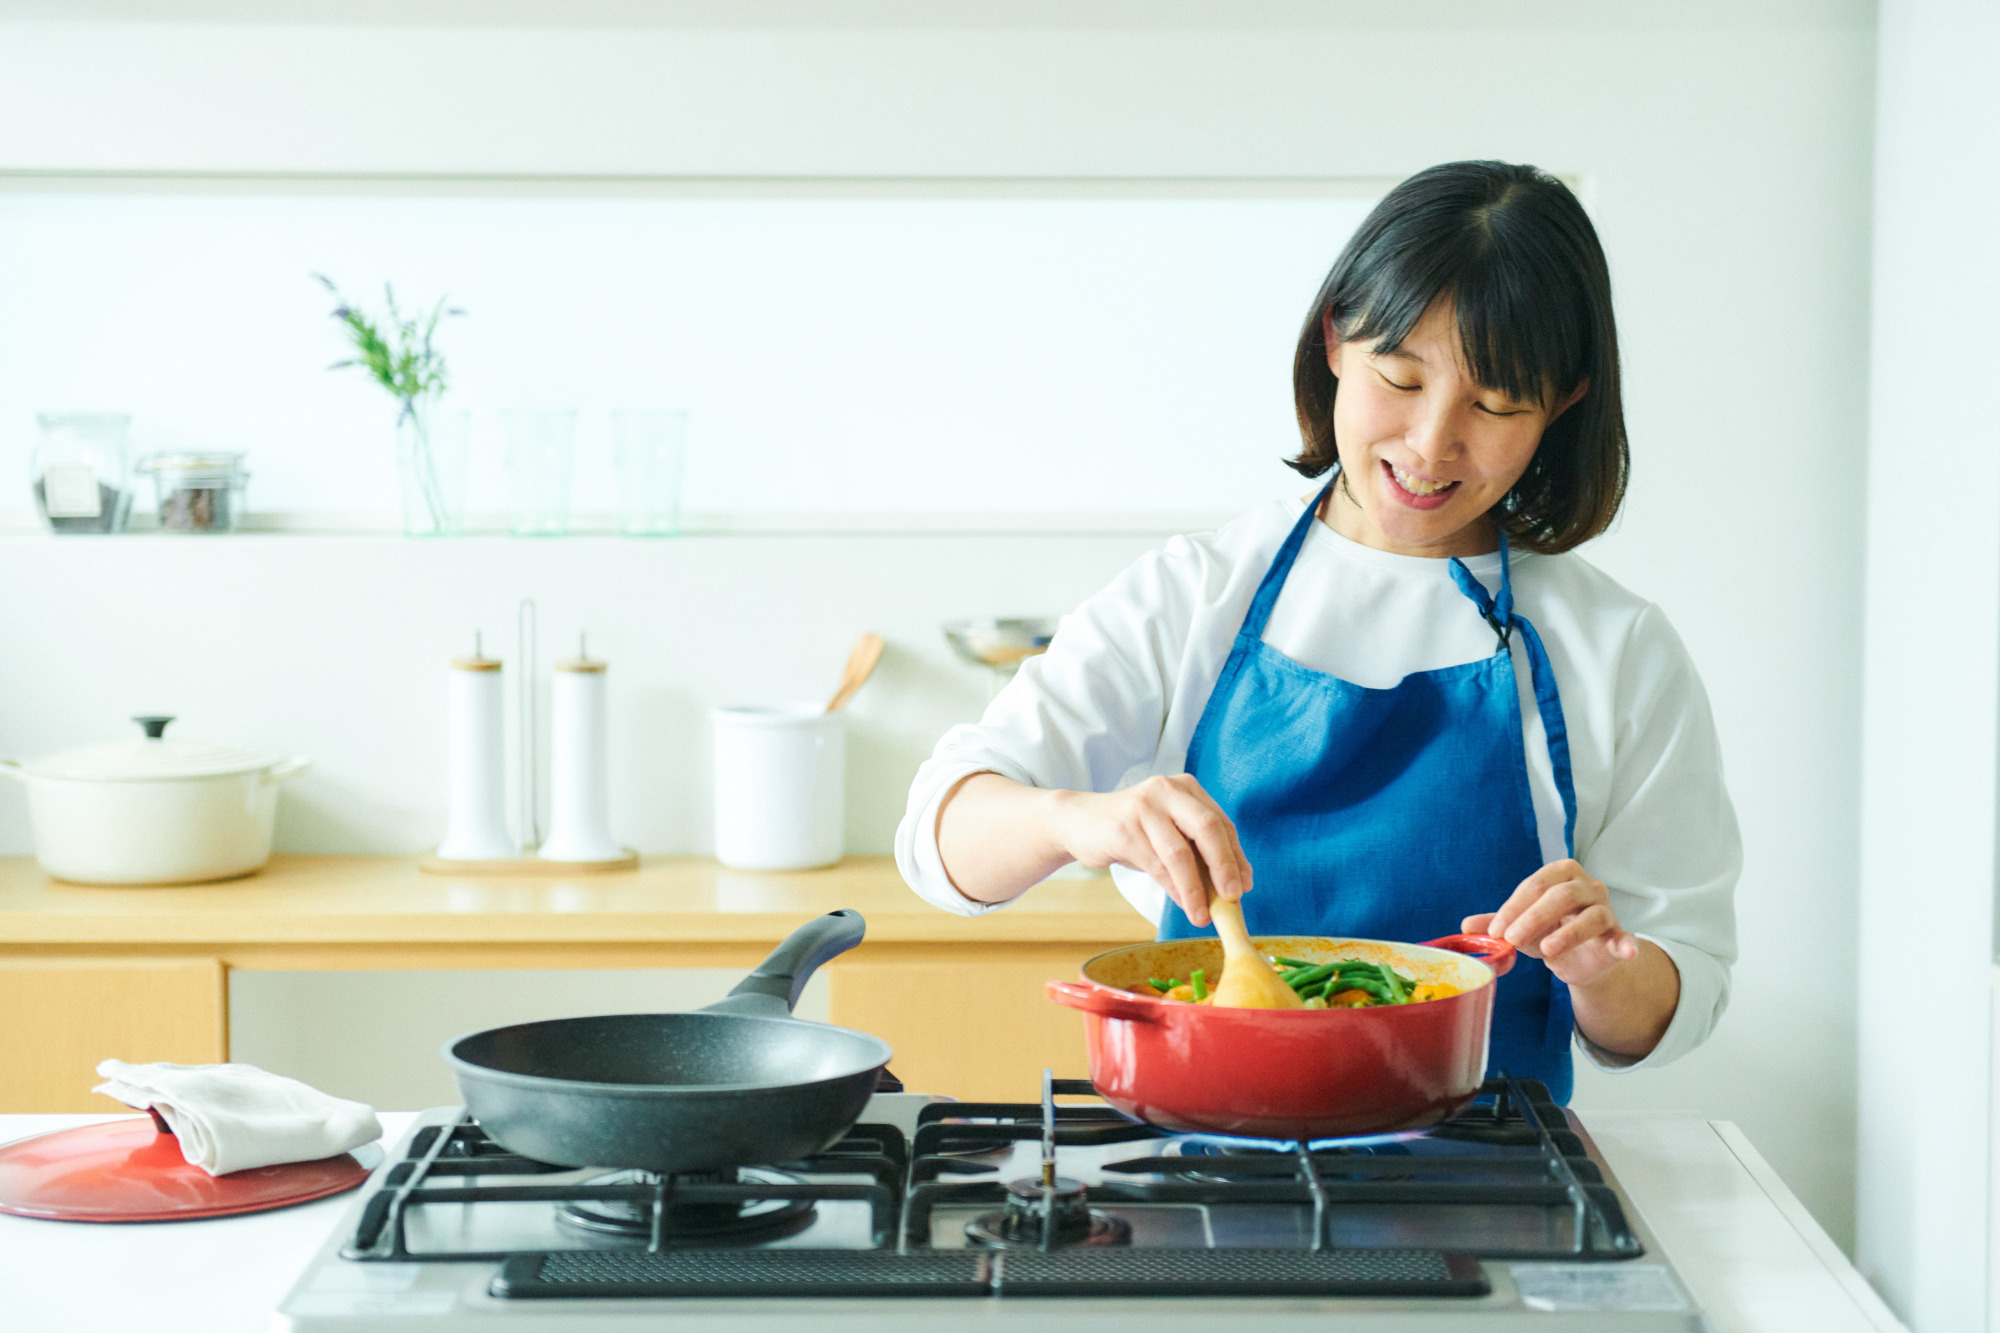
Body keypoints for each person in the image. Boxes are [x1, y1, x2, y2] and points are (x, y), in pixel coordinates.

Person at [894, 161, 1738, 1103]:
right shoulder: (1195, 592)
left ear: (1563, 405)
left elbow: (1681, 994)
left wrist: (1603, 966)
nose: (1431, 442)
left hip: (1493, 1186)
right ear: (1336, 339)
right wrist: (1079, 820)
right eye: (1400, 377)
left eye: (1495, 406)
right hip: (1205, 1166)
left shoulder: (1616, 648)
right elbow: (938, 843)